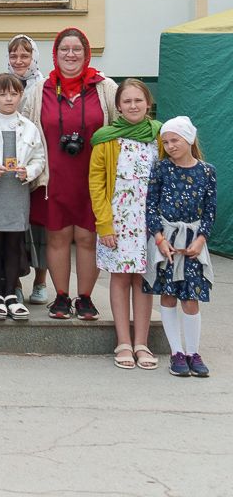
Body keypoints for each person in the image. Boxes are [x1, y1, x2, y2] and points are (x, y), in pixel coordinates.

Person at [33, 27, 117, 322]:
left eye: (76, 49)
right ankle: (60, 296)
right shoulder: (41, 89)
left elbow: (121, 125)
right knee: (57, 237)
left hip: (92, 178)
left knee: (87, 237)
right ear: (55, 54)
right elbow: (30, 128)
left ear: (86, 53)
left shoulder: (104, 87)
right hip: (54, 176)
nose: (70, 55)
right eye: (64, 49)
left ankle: (85, 298)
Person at [89, 79, 161, 369]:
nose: (133, 106)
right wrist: (104, 224)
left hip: (150, 223)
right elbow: (96, 183)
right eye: (127, 101)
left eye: (138, 101)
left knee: (143, 280)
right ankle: (123, 341)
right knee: (120, 278)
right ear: (118, 106)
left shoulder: (160, 136)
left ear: (148, 104)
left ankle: (142, 343)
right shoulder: (106, 139)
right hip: (118, 222)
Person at [145, 116, 215, 378]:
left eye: (175, 140)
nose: (171, 145)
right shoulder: (162, 169)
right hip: (168, 243)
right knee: (168, 294)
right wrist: (160, 239)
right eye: (166, 141)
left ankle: (193, 352)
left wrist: (200, 240)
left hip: (192, 243)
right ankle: (176, 353)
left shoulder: (207, 171)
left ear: (189, 139)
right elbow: (150, 205)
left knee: (191, 296)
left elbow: (209, 210)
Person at [0, 73, 48, 321]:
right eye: (3, 93)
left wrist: (29, 171)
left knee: (15, 243)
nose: (8, 98)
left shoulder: (29, 127)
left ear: (20, 96)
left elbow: (40, 158)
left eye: (13, 93)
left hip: (17, 191)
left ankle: (11, 295)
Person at [6, 33, 50, 304]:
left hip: (38, 163)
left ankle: (40, 282)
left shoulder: (45, 86)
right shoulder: (2, 82)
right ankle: (16, 283)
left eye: (25, 55)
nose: (19, 60)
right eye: (14, 55)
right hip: (9, 167)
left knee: (40, 227)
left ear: (34, 57)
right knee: (14, 230)